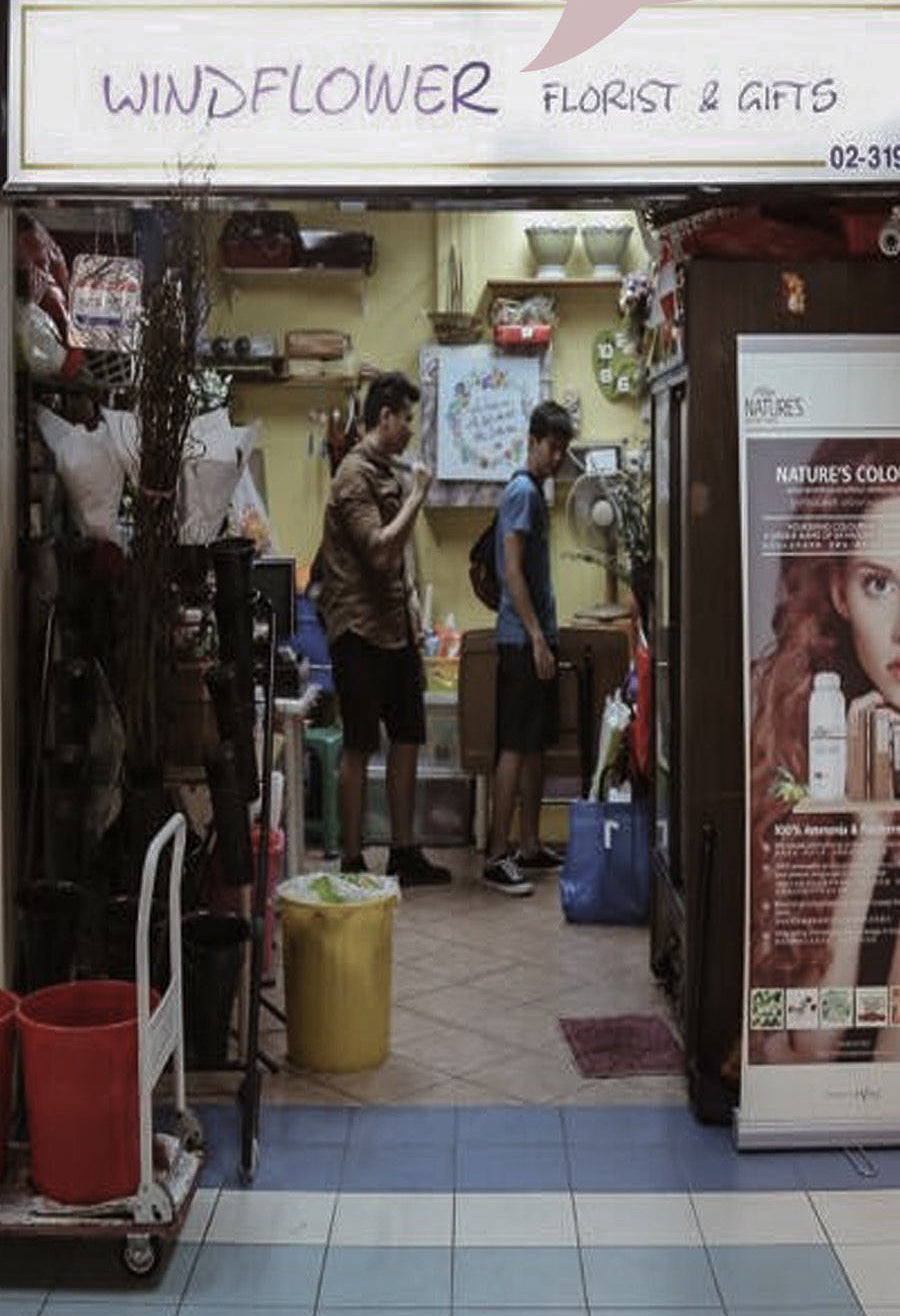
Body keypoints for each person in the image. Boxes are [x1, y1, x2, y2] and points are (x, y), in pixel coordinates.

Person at [750, 435, 900, 1062]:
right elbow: (809, 1044)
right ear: (839, 592)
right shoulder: (813, 745)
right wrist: (871, 825)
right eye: (879, 584)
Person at [317, 371, 451, 887]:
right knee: (357, 744)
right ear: (385, 416)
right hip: (358, 629)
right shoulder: (353, 476)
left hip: (395, 627)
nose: (410, 428)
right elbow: (377, 550)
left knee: (408, 737)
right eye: (406, 419)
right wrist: (418, 497)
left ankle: (403, 852)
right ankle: (352, 860)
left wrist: (413, 604)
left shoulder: (386, 470)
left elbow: (398, 558)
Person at [482, 399, 574, 896]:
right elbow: (512, 571)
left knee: (535, 745)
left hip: (537, 636)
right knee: (515, 747)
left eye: (563, 449)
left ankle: (531, 844)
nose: (556, 457)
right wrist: (537, 636)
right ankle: (498, 854)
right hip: (522, 640)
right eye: (551, 447)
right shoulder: (521, 492)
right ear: (533, 441)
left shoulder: (535, 492)